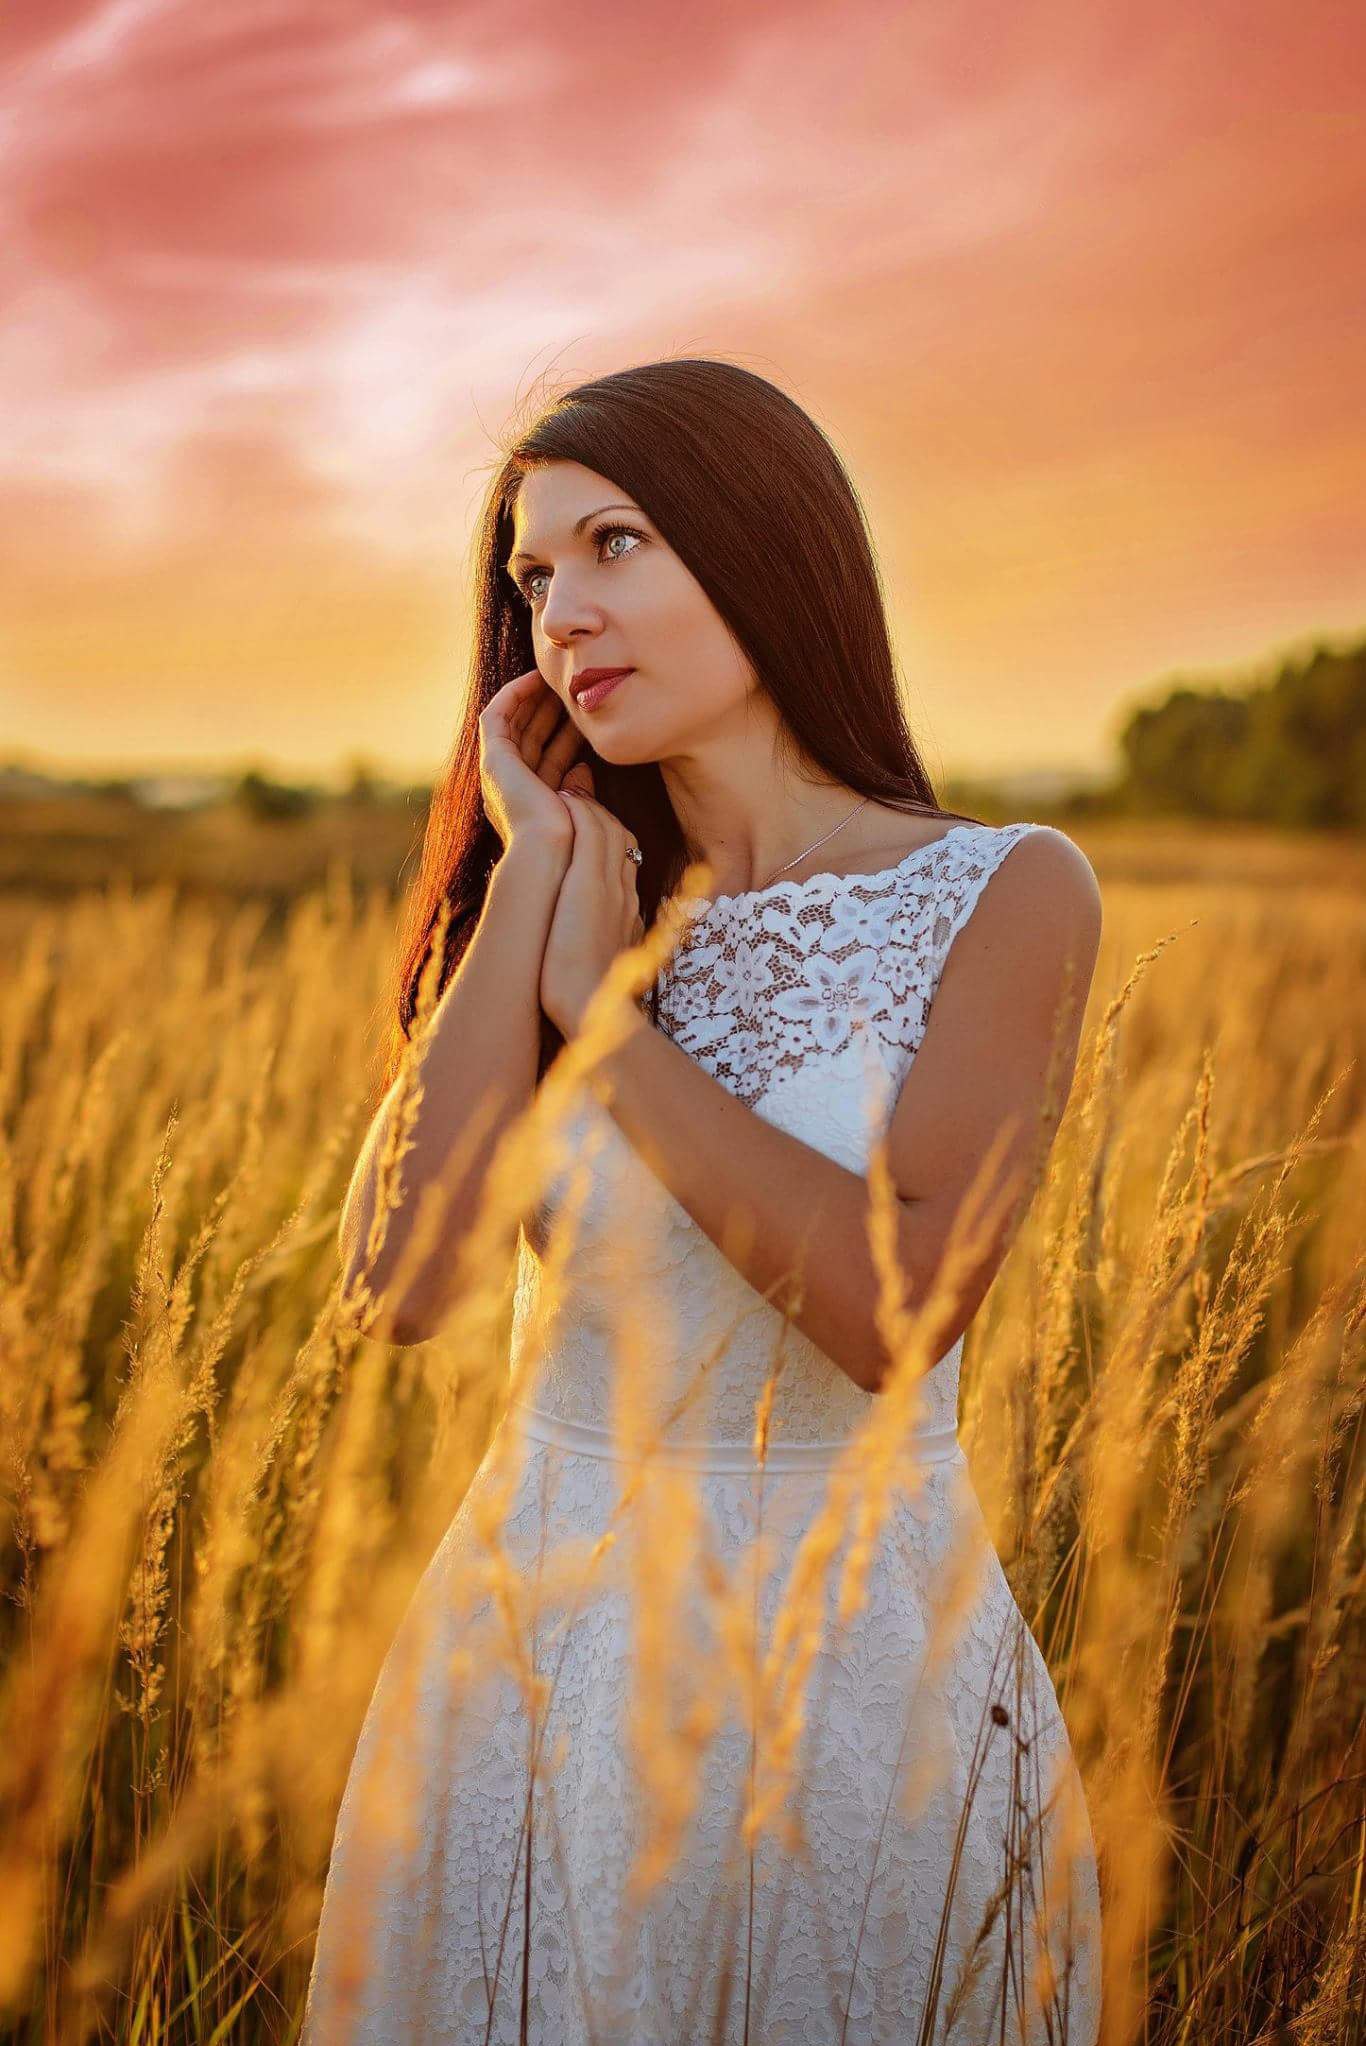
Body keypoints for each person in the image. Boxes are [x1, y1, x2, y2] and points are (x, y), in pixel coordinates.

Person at [301, 358, 1105, 2043]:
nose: (562, 616)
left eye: (616, 544)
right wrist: (528, 878)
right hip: (538, 1646)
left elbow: (894, 1313)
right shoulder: (561, 889)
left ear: (764, 549)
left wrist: (607, 1026)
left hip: (852, 1670)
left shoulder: (1001, 891)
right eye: (530, 581)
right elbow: (401, 1280)